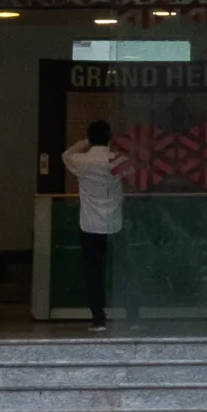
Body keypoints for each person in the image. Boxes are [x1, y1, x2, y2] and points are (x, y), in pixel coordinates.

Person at [62, 118, 125, 330]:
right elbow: (132, 174)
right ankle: (132, 316)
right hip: (114, 225)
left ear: (90, 138)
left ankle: (99, 319)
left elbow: (65, 155)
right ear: (110, 138)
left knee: (93, 274)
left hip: (89, 225)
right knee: (121, 271)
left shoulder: (81, 161)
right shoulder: (118, 160)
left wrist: (84, 142)